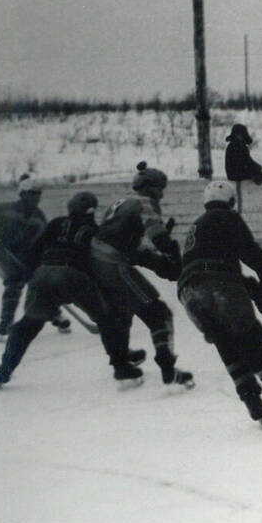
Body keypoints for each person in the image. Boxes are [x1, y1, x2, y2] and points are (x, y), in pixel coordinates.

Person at [177, 180, 262, 432]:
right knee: (255, 342)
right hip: (218, 283)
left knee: (226, 342)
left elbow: (219, 271)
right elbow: (251, 254)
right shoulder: (227, 217)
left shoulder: (197, 225)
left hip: (188, 292)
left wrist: (258, 293)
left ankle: (253, 402)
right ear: (231, 202)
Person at [0, 191, 141, 389]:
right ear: (91, 211)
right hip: (74, 276)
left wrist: (33, 275)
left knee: (28, 325)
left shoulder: (55, 224)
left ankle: (4, 369)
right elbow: (99, 264)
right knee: (107, 320)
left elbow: (34, 252)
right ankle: (121, 365)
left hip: (43, 274)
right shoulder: (94, 231)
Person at [91, 161, 194, 389]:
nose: (161, 195)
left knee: (121, 313)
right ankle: (168, 367)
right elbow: (155, 235)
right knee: (159, 313)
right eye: (160, 188)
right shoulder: (145, 203)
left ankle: (121, 367)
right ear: (150, 187)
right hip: (113, 263)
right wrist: (170, 254)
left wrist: (157, 262)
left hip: (98, 261)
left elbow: (127, 246)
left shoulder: (119, 203)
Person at [0, 175, 69, 341]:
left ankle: (56, 316)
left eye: (38, 194)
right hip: (4, 254)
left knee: (41, 286)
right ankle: (4, 327)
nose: (35, 198)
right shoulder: (7, 210)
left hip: (28, 256)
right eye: (31, 194)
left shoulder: (38, 216)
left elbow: (43, 240)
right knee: (13, 285)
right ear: (22, 194)